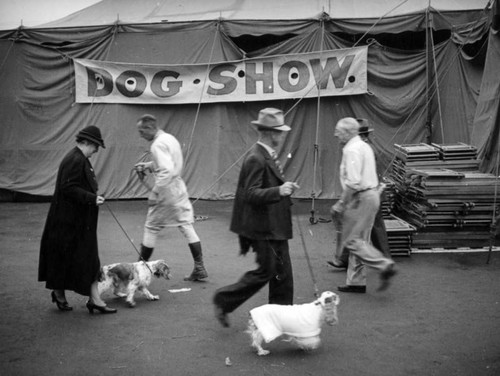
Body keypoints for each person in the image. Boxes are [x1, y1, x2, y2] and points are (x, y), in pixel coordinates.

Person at [213, 108, 299, 327]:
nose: (282, 136)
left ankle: (280, 318)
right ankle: (224, 300)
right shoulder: (256, 157)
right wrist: (279, 191)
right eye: (280, 132)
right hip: (263, 228)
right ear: (272, 133)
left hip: (273, 226)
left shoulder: (264, 155)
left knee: (282, 274)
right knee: (267, 272)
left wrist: (283, 189)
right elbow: (250, 193)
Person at [39, 125, 117, 314]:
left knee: (68, 259)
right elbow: (69, 188)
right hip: (71, 222)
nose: (97, 150)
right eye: (96, 146)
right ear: (88, 142)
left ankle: (64, 294)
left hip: (71, 221)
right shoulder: (76, 159)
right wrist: (92, 198)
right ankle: (94, 300)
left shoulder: (77, 157)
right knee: (88, 259)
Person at [134, 114, 208, 281]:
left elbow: (166, 170)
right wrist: (149, 165)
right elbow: (169, 164)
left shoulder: (157, 145)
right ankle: (199, 267)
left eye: (141, 131)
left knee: (151, 227)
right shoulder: (169, 138)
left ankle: (139, 271)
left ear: (150, 128)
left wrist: (155, 191)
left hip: (166, 190)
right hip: (178, 189)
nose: (140, 135)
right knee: (186, 225)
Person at [330, 117, 396, 293]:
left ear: (348, 132)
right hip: (370, 195)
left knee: (352, 240)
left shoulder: (351, 150)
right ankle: (356, 282)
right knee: (359, 240)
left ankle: (384, 265)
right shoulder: (364, 146)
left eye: (339, 131)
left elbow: (353, 182)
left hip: (361, 198)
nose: (336, 134)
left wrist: (341, 203)